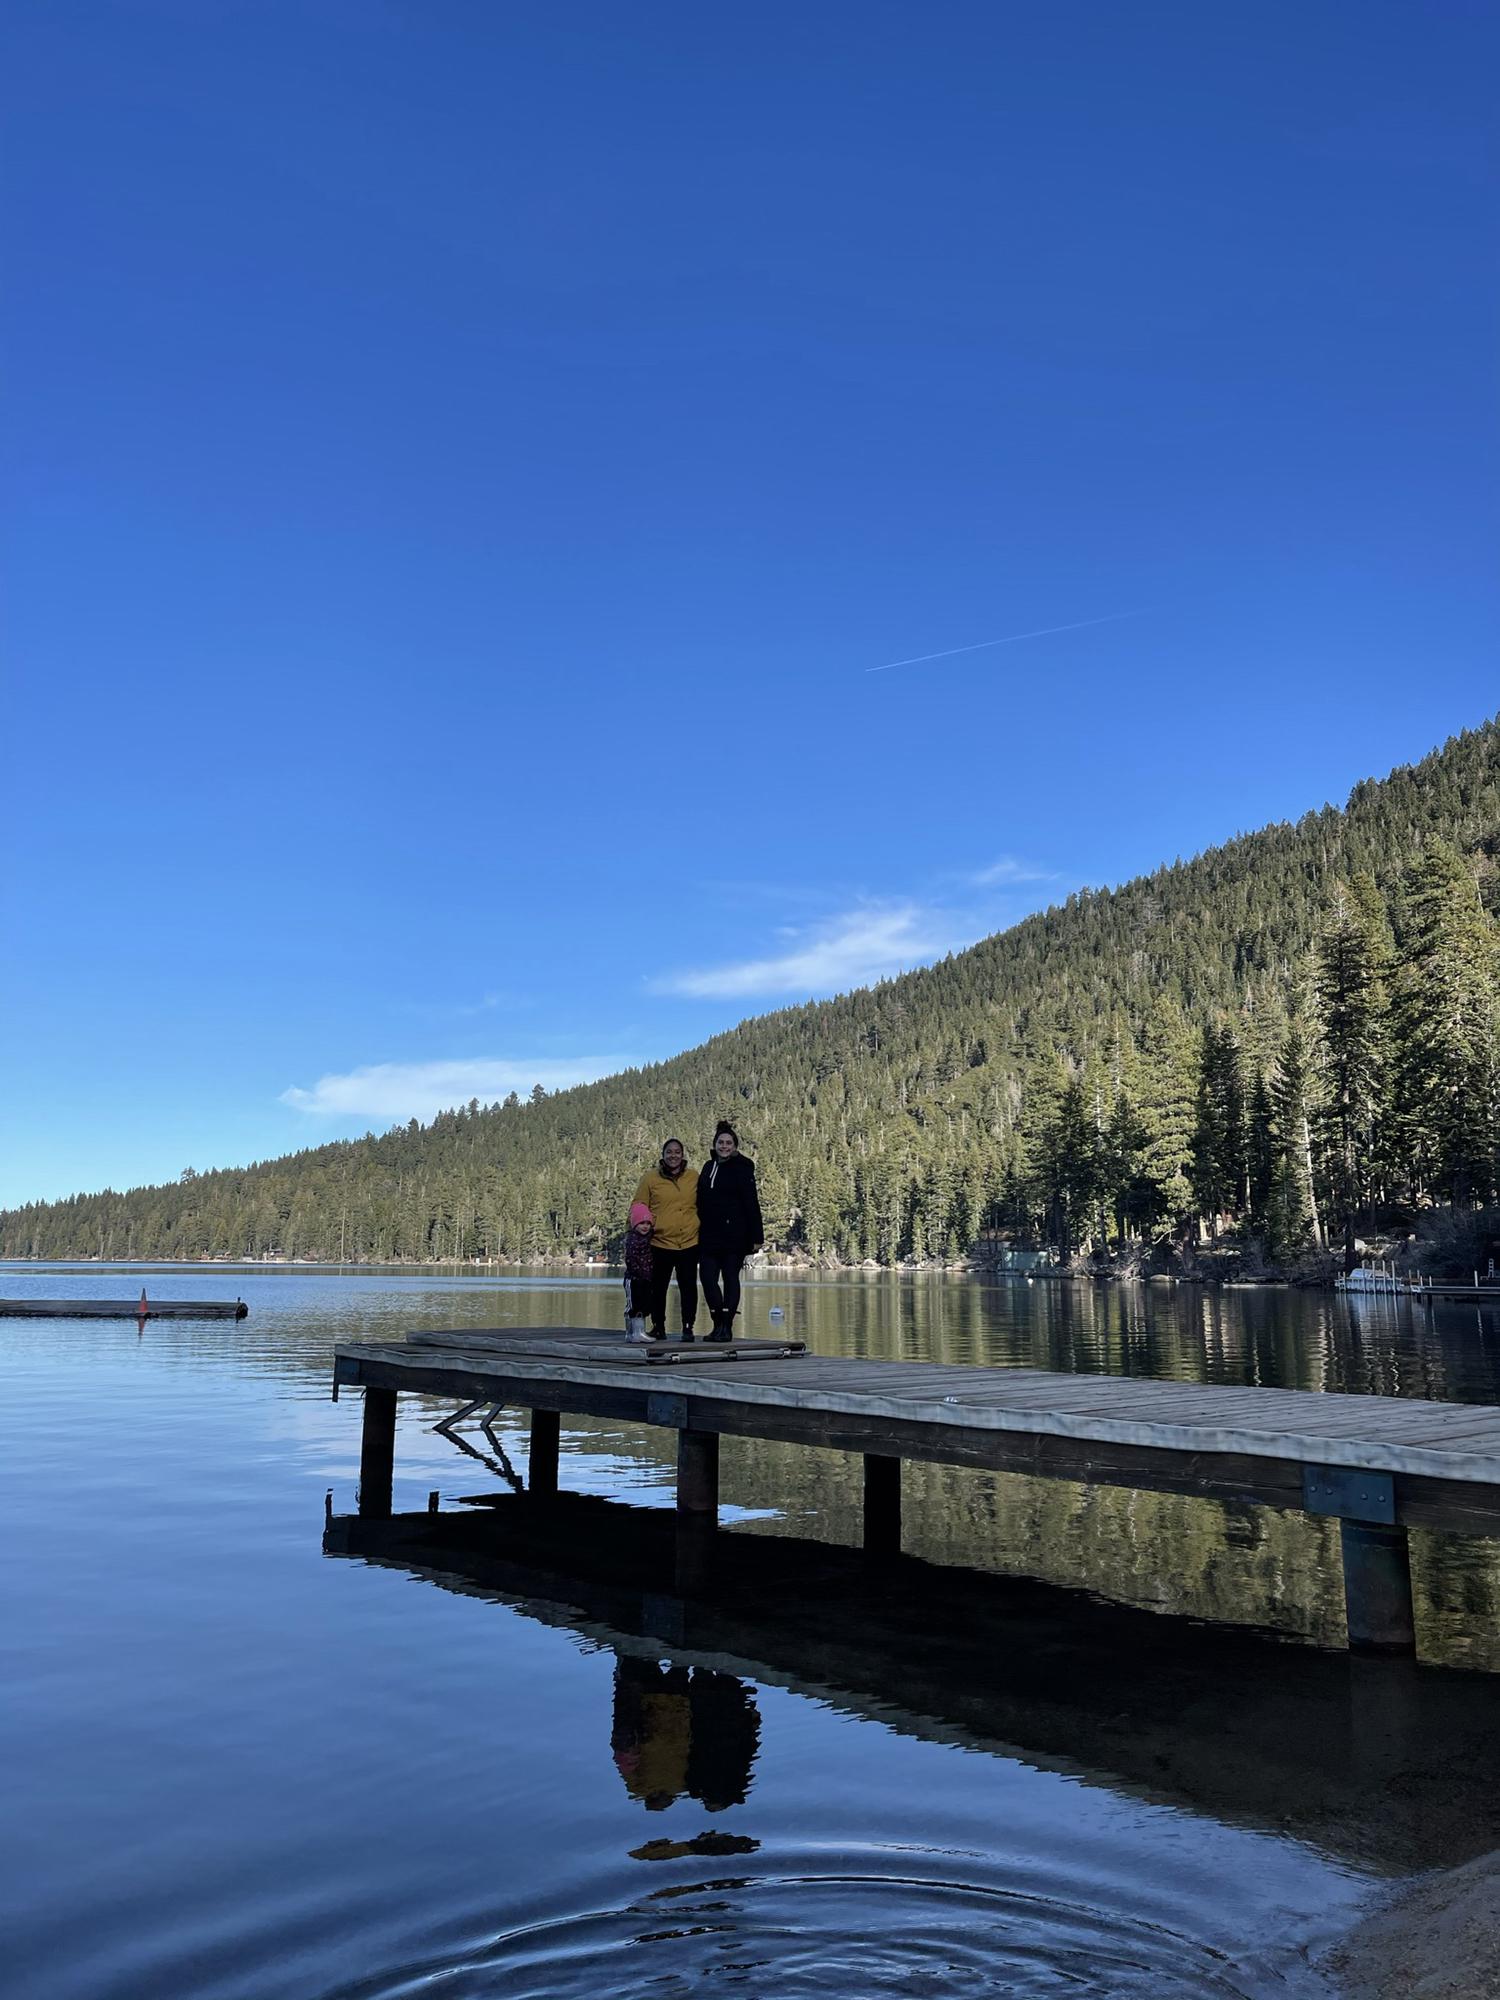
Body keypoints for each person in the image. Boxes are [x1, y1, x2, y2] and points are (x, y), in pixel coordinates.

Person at [695, 1120, 763, 1341]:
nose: (724, 1146)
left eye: (729, 1143)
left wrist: (756, 1237)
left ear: (735, 1146)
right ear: (714, 1144)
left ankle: (727, 1327)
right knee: (707, 1278)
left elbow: (751, 1202)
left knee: (730, 1277)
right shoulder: (708, 1167)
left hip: (735, 1234)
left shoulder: (742, 1168)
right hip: (708, 1234)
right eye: (721, 1142)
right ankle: (718, 1323)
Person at [632, 1138, 700, 1341]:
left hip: (689, 1241)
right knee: (658, 1288)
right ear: (663, 1155)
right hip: (660, 1241)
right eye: (669, 1152)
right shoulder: (650, 1178)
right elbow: (638, 1204)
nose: (673, 1155)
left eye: (677, 1152)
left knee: (688, 1287)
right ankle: (658, 1326)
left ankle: (688, 1327)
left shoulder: (693, 1177)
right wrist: (640, 1227)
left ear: (682, 1154)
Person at [623, 1201, 655, 1342]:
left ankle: (639, 1332)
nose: (645, 1226)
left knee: (644, 1304)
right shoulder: (632, 1240)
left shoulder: (648, 1238)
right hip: (634, 1278)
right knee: (634, 1305)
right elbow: (630, 1259)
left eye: (648, 1223)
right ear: (635, 1224)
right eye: (642, 1223)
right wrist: (637, 1273)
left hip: (646, 1278)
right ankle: (632, 1333)